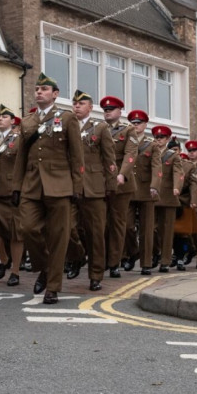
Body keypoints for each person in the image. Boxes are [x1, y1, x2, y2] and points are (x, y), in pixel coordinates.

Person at [12, 73, 84, 304]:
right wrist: (16, 186)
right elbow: (21, 157)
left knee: (59, 236)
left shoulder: (67, 118)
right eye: (37, 89)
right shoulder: (27, 122)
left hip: (60, 185)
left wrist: (77, 186)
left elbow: (76, 155)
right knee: (28, 228)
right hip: (32, 185)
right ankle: (45, 267)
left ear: (55, 94)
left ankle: (53, 286)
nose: (39, 92)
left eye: (44, 89)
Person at [68, 90, 116, 291]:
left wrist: (111, 186)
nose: (77, 106)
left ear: (90, 106)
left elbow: (109, 159)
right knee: (66, 228)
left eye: (81, 103)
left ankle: (95, 275)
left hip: (94, 187)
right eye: (75, 103)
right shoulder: (66, 125)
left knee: (96, 234)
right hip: (69, 186)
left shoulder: (100, 127)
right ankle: (77, 256)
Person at [101, 95, 139, 278]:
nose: (107, 112)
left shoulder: (128, 130)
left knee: (117, 223)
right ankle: (103, 258)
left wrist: (122, 174)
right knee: (101, 223)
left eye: (111, 109)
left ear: (119, 111)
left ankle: (114, 262)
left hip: (121, 184)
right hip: (100, 182)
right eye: (105, 110)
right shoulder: (97, 128)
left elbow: (130, 153)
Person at [0, 106, 23, 286]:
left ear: (12, 121)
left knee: (16, 233)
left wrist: (20, 188)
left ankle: (15, 271)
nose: (0, 119)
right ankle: (4, 259)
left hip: (11, 190)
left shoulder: (18, 139)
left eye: (5, 116)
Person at [126, 111, 160, 274]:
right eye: (133, 122)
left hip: (147, 190)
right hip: (129, 189)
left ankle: (146, 263)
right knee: (127, 226)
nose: (136, 125)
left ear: (145, 125)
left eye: (139, 122)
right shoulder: (126, 140)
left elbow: (156, 167)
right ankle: (134, 252)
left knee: (147, 229)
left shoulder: (151, 145)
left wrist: (155, 185)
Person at [152, 127, 184, 272]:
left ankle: (165, 260)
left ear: (167, 139)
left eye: (162, 137)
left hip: (168, 196)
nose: (158, 139)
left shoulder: (172, 155)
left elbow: (178, 172)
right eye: (156, 137)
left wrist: (177, 187)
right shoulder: (149, 151)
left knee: (167, 230)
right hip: (151, 196)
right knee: (152, 229)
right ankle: (155, 254)